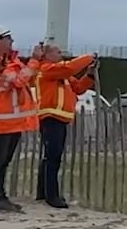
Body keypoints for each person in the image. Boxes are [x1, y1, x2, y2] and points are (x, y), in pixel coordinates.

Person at [30, 42, 97, 209]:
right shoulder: (46, 69)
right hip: (50, 116)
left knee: (51, 156)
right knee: (53, 157)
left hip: (60, 118)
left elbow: (79, 88)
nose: (61, 55)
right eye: (58, 52)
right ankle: (51, 195)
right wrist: (88, 57)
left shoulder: (63, 76)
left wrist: (89, 74)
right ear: (47, 55)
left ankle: (44, 192)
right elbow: (69, 68)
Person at [0, 31, 34, 211]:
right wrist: (34, 61)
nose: (11, 41)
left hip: (13, 119)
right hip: (1, 118)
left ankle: (0, 194)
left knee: (4, 160)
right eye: (7, 39)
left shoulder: (12, 61)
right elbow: (19, 81)